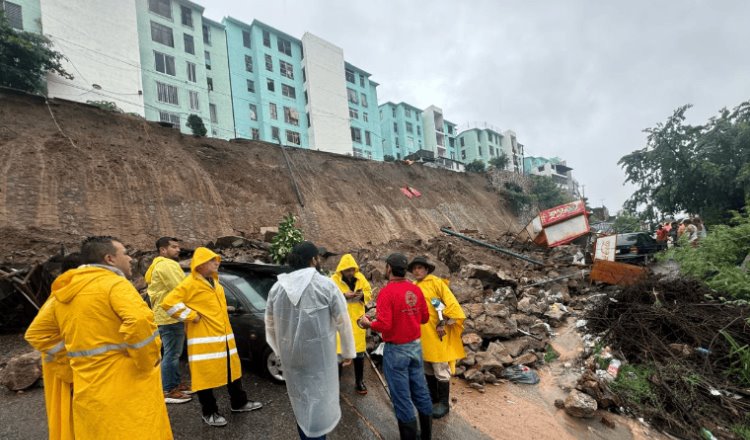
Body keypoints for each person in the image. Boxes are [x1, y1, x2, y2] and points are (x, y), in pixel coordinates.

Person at [26, 236, 172, 439]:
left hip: (88, 392)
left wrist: (68, 369)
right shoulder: (114, 285)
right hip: (127, 390)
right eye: (125, 253)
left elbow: (38, 333)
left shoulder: (64, 290)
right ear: (110, 259)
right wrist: (148, 361)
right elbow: (138, 321)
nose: (130, 259)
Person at [161, 247, 262, 427]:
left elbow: (212, 306)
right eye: (211, 260)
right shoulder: (190, 283)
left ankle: (239, 403)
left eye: (216, 260)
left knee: (233, 373)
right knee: (205, 378)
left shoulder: (216, 283)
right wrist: (191, 315)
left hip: (224, 339)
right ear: (200, 265)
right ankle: (209, 412)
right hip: (204, 342)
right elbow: (168, 303)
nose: (216, 263)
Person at [266, 241, 356, 440]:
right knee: (319, 403)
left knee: (301, 402)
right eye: (317, 257)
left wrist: (280, 351)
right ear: (313, 259)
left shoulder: (277, 288)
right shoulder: (326, 285)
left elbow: (270, 326)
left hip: (291, 358)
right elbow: (343, 322)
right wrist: (348, 352)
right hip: (319, 358)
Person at [359, 253, 432, 440]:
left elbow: (384, 325)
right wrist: (408, 316)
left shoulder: (387, 292)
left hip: (397, 350)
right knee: (421, 392)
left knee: (402, 398)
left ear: (389, 268)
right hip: (415, 347)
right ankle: (426, 436)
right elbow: (424, 317)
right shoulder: (415, 289)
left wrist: (368, 323)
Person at [408, 256, 465, 419]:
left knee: (440, 368)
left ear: (426, 270)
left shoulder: (436, 283)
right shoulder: (413, 286)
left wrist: (442, 323)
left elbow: (451, 304)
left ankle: (444, 404)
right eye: (415, 268)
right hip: (421, 334)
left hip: (437, 333)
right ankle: (433, 399)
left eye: (420, 268)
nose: (417, 271)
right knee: (427, 366)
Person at [145, 237, 191, 404]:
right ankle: (168, 389)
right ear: (163, 250)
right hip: (169, 317)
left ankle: (175, 384)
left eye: (178, 246)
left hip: (168, 316)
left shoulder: (161, 265)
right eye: (173, 247)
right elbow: (181, 287)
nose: (178, 249)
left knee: (173, 353)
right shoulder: (166, 265)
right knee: (171, 354)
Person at [331, 253, 372, 395]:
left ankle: (359, 381)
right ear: (341, 269)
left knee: (359, 354)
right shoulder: (334, 280)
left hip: (357, 321)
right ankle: (335, 385)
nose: (350, 272)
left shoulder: (360, 278)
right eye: (347, 270)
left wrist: (363, 296)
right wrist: (343, 296)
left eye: (352, 269)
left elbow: (368, 291)